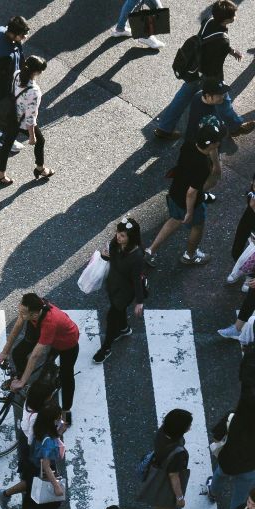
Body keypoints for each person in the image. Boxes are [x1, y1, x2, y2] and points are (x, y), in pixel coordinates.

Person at [150, 0, 240, 137]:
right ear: (227, 19)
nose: (235, 17)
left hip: (194, 68)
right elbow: (216, 63)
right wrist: (217, 82)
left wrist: (231, 50)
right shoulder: (223, 41)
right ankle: (235, 127)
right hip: (207, 74)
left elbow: (211, 41)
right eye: (233, 15)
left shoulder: (208, 21)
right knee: (222, 98)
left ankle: (164, 128)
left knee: (181, 98)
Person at [146, 117, 221, 265]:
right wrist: (190, 212)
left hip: (174, 192)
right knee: (197, 226)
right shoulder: (202, 166)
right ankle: (190, 255)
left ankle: (150, 251)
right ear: (210, 145)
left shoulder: (188, 145)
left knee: (175, 219)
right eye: (216, 141)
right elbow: (192, 192)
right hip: (189, 203)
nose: (219, 143)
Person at [92, 220, 149, 362]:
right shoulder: (116, 243)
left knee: (112, 318)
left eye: (122, 235)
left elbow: (137, 279)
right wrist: (105, 256)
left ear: (131, 237)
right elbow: (112, 256)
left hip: (125, 292)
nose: (118, 237)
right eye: (118, 233)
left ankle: (106, 348)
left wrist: (139, 302)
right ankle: (123, 328)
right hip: (113, 284)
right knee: (118, 310)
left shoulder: (137, 256)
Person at [0, 55, 50, 187]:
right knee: (40, 141)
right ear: (36, 72)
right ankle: (40, 168)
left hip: (9, 117)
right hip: (21, 122)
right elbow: (30, 117)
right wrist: (32, 136)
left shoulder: (17, 74)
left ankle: (0, 176)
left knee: (6, 146)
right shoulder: (34, 91)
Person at [140, 411, 190, 509]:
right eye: (188, 425)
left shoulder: (162, 432)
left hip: (158, 473)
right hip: (166, 487)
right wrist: (180, 498)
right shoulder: (177, 454)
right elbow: (174, 476)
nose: (190, 427)